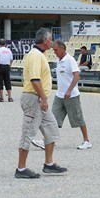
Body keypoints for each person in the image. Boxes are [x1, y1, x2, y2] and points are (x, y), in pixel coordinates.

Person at [15, 28, 67, 179]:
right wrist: (43, 98)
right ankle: (21, 168)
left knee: (52, 129)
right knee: (28, 133)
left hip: (38, 99)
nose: (51, 42)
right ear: (44, 40)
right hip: (34, 99)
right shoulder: (36, 55)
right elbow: (35, 79)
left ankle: (49, 164)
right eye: (50, 39)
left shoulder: (40, 54)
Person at [33, 40, 91, 150]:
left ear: (62, 49)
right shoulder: (58, 61)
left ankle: (86, 140)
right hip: (60, 95)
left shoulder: (70, 60)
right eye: (54, 50)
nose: (54, 52)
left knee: (78, 118)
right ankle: (48, 141)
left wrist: (69, 90)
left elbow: (77, 76)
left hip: (71, 96)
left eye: (56, 50)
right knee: (53, 119)